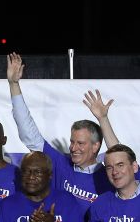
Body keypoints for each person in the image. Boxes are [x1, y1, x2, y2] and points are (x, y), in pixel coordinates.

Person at [7, 53, 131, 205]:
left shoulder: (110, 176)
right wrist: (14, 85)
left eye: (80, 143)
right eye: (72, 142)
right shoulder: (60, 163)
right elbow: (29, 134)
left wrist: (103, 119)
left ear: (95, 146)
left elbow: (121, 155)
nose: (73, 148)